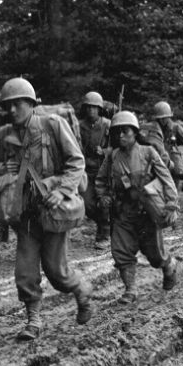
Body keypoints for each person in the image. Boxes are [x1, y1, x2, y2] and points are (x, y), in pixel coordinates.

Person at [0, 77, 94, 341]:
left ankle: (82, 291)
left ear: (31, 103)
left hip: (53, 209)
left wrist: (60, 190)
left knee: (57, 273)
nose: (12, 110)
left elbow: (76, 161)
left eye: (18, 104)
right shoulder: (5, 135)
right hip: (24, 213)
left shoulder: (52, 125)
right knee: (24, 272)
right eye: (8, 105)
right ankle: (33, 320)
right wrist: (5, 170)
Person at [95, 111, 178, 303]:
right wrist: (103, 196)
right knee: (121, 252)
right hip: (122, 213)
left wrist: (172, 204)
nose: (121, 136)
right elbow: (100, 180)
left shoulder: (148, 152)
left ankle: (169, 265)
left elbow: (166, 178)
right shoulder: (112, 157)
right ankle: (130, 290)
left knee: (155, 255)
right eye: (117, 133)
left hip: (146, 211)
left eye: (125, 131)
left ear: (135, 132)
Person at [78, 91, 111, 249]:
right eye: (88, 107)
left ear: (99, 109)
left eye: (94, 107)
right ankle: (105, 225)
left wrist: (104, 151)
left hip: (104, 170)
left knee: (104, 202)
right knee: (87, 203)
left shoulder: (108, 125)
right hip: (86, 170)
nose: (91, 110)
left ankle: (104, 235)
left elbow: (118, 148)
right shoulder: (79, 126)